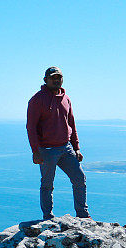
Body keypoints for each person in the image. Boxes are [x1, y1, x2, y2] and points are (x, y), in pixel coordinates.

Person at [27, 66, 90, 220]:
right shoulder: (37, 100)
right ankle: (48, 217)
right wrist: (35, 151)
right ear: (45, 80)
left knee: (79, 179)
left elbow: (72, 124)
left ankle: (82, 214)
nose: (56, 80)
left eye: (59, 77)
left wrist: (77, 148)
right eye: (53, 77)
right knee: (47, 184)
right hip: (47, 149)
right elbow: (31, 127)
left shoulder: (66, 98)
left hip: (66, 148)